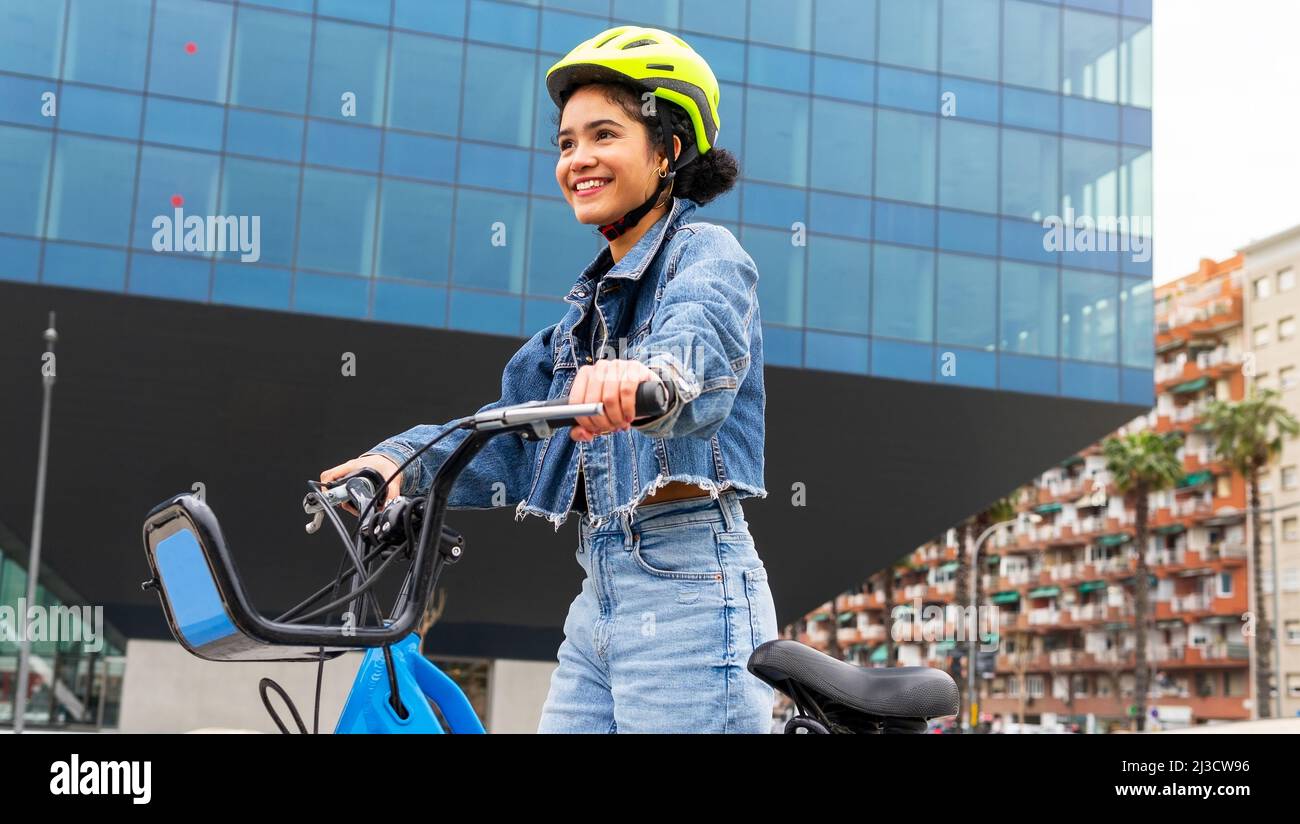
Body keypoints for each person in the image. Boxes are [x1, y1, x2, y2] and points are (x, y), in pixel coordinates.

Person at [320, 26, 775, 733]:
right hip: (601, 587)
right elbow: (503, 434)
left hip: (689, 582)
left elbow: (699, 347)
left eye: (603, 136)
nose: (578, 159)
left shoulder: (706, 255)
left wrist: (649, 377)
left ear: (668, 150)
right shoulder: (575, 328)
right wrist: (395, 463)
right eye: (566, 143)